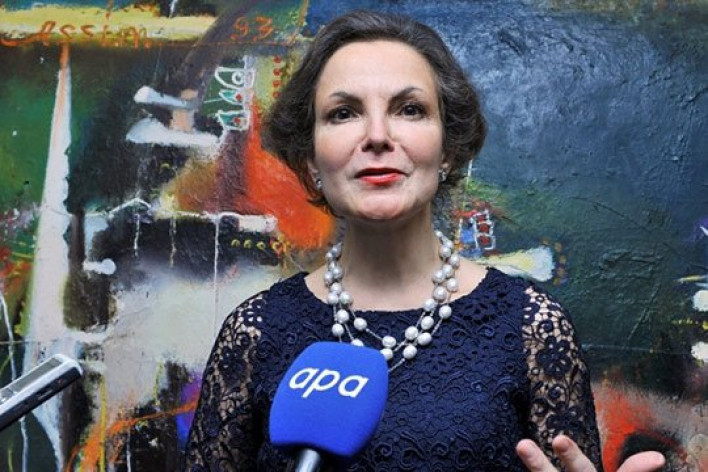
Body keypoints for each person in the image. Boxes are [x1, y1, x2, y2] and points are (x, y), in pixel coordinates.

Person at [184, 10, 665, 472]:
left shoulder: (532, 328)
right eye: (344, 113)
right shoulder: (254, 332)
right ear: (310, 158)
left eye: (410, 109)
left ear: (448, 149)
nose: (377, 136)